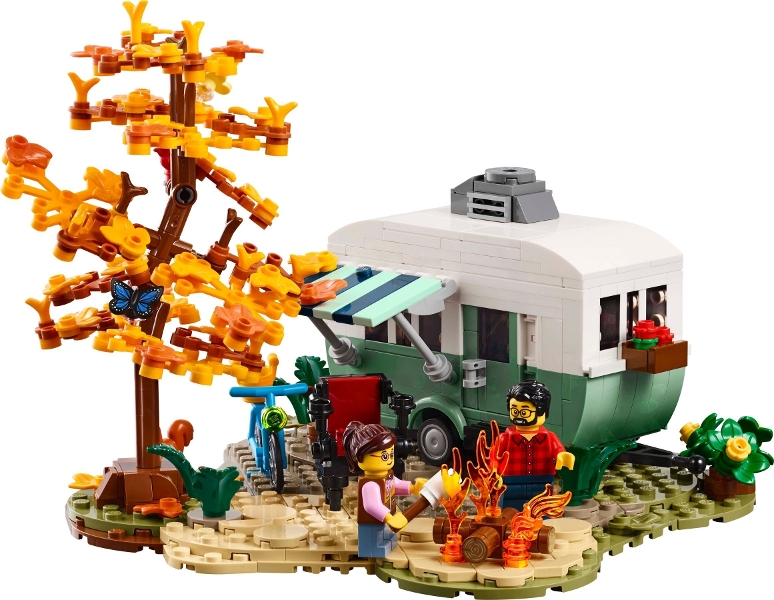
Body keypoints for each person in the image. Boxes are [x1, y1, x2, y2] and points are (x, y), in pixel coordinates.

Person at [342, 421, 425, 558]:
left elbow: (395, 485)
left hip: (386, 514)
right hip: (372, 520)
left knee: (384, 532)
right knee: (372, 535)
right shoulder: (370, 483)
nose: (389, 459)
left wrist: (413, 488)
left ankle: (385, 541)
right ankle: (372, 549)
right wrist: (388, 518)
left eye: (391, 454)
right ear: (360, 457)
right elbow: (371, 506)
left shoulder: (387, 475)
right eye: (384, 456)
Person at [498, 381, 575, 510]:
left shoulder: (549, 437)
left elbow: (558, 449)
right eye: (514, 411)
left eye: (524, 412)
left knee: (542, 508)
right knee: (511, 510)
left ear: (542, 412)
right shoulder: (505, 438)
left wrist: (562, 455)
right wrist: (494, 472)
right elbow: (495, 457)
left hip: (542, 483)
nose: (519, 416)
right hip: (512, 483)